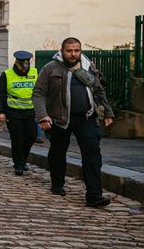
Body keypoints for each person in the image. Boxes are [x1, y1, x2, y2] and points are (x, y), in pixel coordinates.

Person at [32, 37, 114, 207]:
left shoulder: (88, 66)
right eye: (69, 51)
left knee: (92, 154)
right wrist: (42, 116)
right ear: (62, 51)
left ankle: (94, 196)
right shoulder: (50, 68)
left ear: (80, 50)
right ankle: (57, 184)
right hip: (59, 118)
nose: (73, 54)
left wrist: (107, 111)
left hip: (86, 117)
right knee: (58, 151)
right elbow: (38, 93)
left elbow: (98, 89)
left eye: (76, 50)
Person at [0, 51, 38, 176]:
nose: (25, 68)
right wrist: (0, 111)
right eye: (22, 65)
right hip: (13, 111)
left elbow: (40, 91)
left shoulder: (35, 73)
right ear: (16, 63)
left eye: (27, 65)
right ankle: (19, 164)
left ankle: (22, 159)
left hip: (30, 111)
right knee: (17, 138)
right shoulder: (7, 75)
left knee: (31, 136)